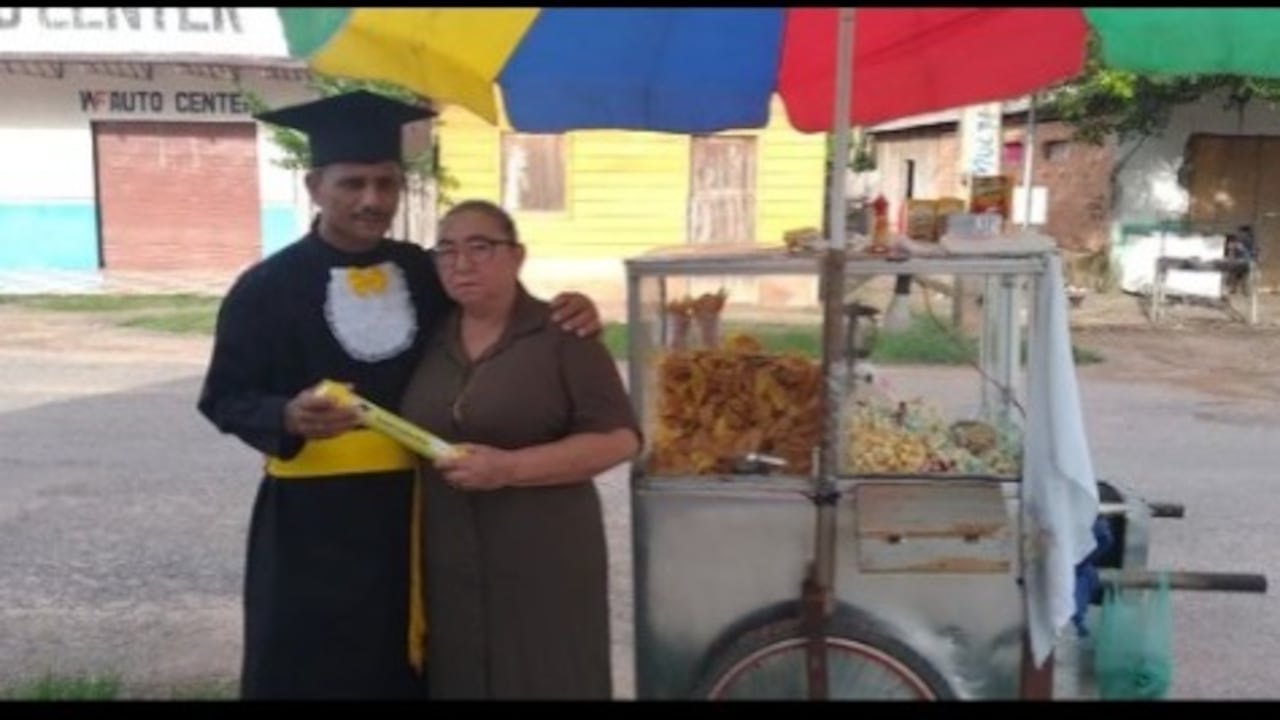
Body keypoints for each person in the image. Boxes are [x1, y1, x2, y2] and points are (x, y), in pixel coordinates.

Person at [196, 91, 602, 700]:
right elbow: (224, 396)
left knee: (405, 663)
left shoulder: (424, 271)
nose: (372, 201)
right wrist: (283, 413)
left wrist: (569, 308)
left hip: (415, 510)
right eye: (352, 184)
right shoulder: (264, 288)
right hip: (310, 525)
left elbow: (497, 310)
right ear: (314, 187)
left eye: (386, 184)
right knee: (307, 666)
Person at [399, 199, 642, 700]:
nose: (461, 263)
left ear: (517, 256)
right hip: (447, 562)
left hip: (542, 559)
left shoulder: (562, 333)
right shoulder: (425, 337)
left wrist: (510, 468)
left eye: (481, 247)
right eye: (446, 250)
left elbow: (620, 439)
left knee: (546, 676)